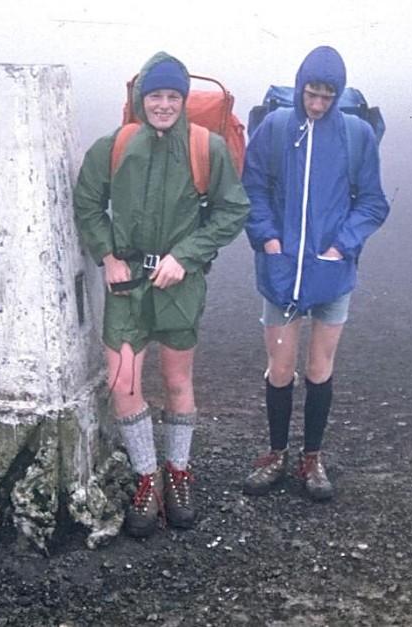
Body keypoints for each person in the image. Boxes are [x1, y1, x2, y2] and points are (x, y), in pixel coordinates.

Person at [73, 52, 250, 537]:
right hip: (127, 285)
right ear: (140, 99)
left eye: (174, 96)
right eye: (156, 96)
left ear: (184, 100)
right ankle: (147, 478)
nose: (165, 105)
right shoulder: (113, 146)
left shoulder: (207, 148)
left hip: (179, 285)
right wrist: (108, 256)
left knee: (176, 380)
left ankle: (178, 473)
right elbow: (87, 202)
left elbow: (233, 210)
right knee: (124, 384)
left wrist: (186, 256)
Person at [240, 46, 388, 501]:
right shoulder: (275, 127)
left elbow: (373, 202)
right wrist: (269, 241)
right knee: (280, 367)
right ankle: (276, 454)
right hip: (281, 270)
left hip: (332, 272)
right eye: (311, 94)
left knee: (320, 367)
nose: (319, 104)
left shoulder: (357, 135)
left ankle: (312, 458)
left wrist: (340, 247)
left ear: (338, 94)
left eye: (327, 96)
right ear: (300, 87)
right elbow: (252, 189)